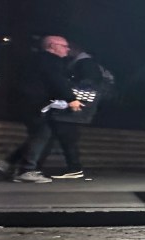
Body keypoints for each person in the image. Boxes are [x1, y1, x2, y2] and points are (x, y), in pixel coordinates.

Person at [0, 35, 83, 183]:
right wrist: (71, 99)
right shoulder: (50, 60)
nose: (67, 49)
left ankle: (7, 164)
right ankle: (26, 170)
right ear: (51, 46)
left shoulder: (36, 59)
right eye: (64, 46)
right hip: (34, 103)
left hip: (26, 102)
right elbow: (56, 80)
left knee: (39, 135)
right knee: (42, 133)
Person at [40, 43, 107, 179]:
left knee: (59, 135)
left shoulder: (84, 63)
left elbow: (88, 84)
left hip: (74, 106)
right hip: (75, 106)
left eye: (69, 47)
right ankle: (73, 167)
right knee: (61, 136)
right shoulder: (85, 63)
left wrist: (70, 93)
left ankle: (73, 167)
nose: (68, 49)